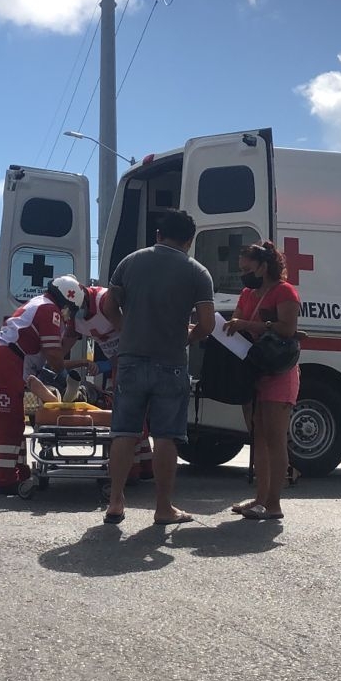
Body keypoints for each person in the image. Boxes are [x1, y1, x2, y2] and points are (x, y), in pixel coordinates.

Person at [101, 209, 216, 526]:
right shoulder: (197, 272)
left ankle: (115, 503)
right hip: (172, 362)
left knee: (124, 432)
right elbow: (206, 324)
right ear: (189, 241)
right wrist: (188, 338)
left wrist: (129, 330)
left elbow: (109, 306)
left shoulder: (130, 261)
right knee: (166, 437)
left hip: (131, 360)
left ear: (158, 235)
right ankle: (164, 508)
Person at [0, 274, 95, 494]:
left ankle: (19, 472)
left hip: (6, 360)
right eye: (71, 309)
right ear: (66, 301)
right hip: (4, 362)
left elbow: (52, 359)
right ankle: (5, 481)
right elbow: (56, 362)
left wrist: (80, 362)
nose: (70, 316)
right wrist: (81, 360)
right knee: (7, 421)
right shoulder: (49, 311)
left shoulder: (41, 304)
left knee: (14, 420)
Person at [224, 241, 301, 521]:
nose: (243, 274)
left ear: (264, 266)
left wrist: (248, 325)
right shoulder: (247, 293)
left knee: (274, 438)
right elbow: (237, 320)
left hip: (279, 372)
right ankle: (260, 498)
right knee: (258, 437)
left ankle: (274, 503)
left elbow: (287, 328)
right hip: (255, 371)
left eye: (247, 268)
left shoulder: (284, 291)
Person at [69, 285, 152, 482]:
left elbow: (132, 335)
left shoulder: (106, 301)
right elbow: (65, 344)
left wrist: (105, 365)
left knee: (128, 414)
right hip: (119, 363)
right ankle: (145, 465)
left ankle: (131, 469)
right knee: (133, 414)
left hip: (133, 358)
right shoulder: (73, 314)